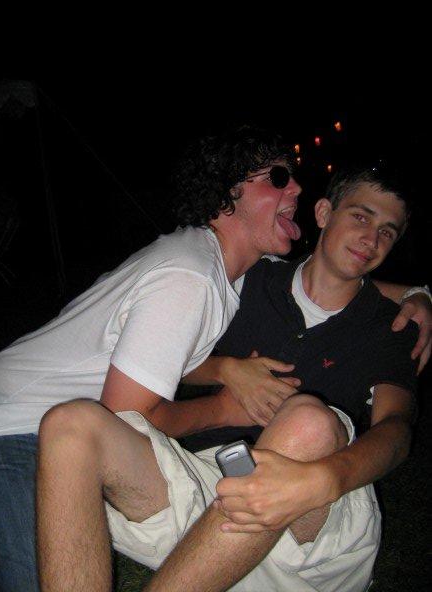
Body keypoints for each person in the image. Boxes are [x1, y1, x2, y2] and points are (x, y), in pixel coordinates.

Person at [36, 159, 431, 592]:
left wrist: (326, 478)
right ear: (323, 213)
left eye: (388, 232)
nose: (372, 239)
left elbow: (396, 430)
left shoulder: (390, 326)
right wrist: (226, 369)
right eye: (361, 217)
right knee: (69, 424)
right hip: (206, 492)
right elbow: (173, 355)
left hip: (308, 522)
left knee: (309, 423)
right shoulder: (251, 280)